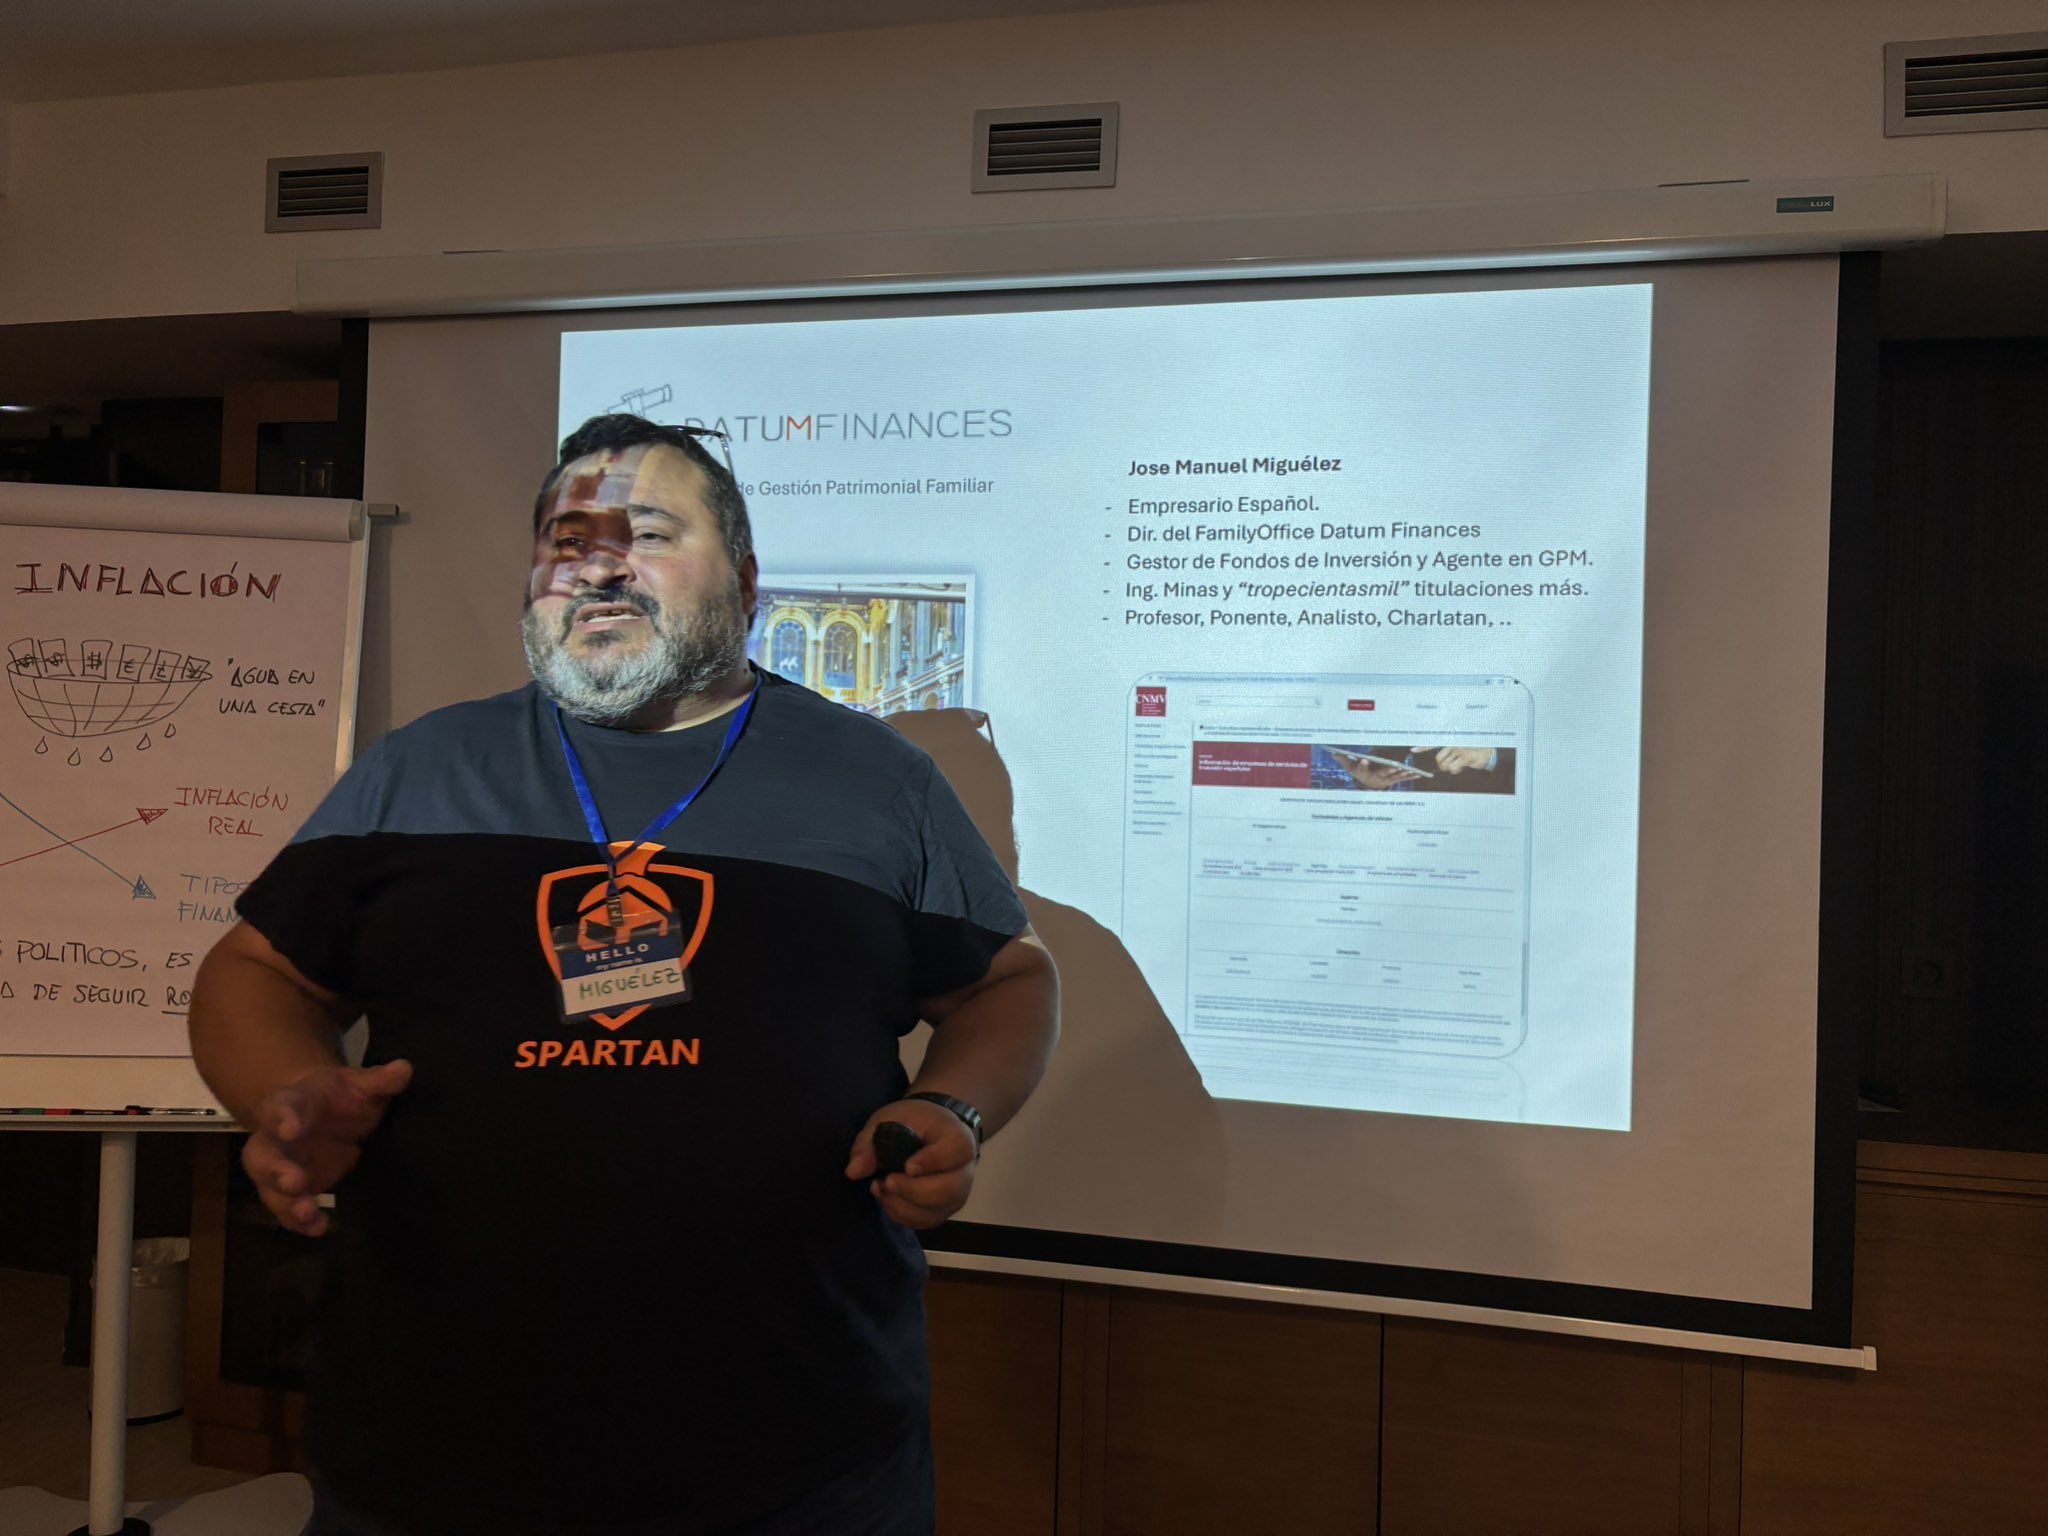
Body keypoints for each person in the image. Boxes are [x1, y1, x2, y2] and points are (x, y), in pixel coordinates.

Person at [186, 414, 1060, 1536]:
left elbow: (1004, 983)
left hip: (797, 1447)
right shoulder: (420, 769)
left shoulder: (875, 780)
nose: (598, 566)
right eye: (568, 540)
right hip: (432, 1436)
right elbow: (257, 972)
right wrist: (285, 1089)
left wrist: (953, 1107)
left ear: (746, 584)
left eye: (646, 534)